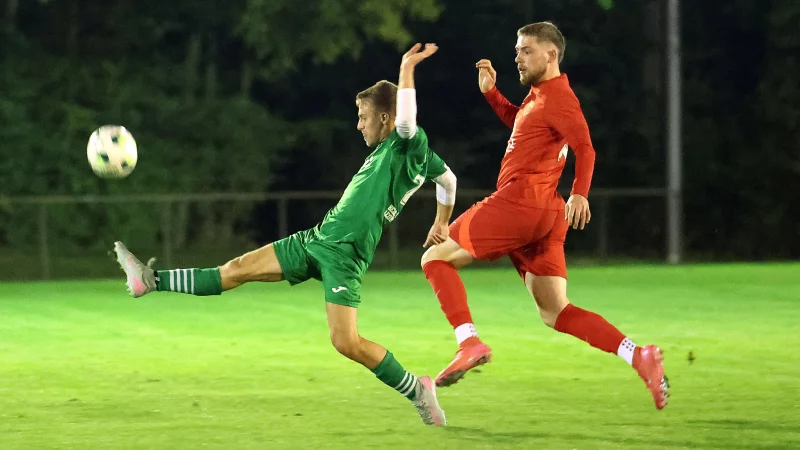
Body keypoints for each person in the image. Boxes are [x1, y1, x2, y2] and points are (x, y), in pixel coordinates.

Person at [115, 43, 455, 425]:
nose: (359, 125)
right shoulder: (405, 155)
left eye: (363, 117)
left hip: (345, 255)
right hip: (317, 239)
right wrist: (441, 221)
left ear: (386, 118)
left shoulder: (409, 144)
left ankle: (417, 389)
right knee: (236, 269)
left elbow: (409, 122)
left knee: (346, 342)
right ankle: (150, 280)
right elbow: (448, 180)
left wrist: (406, 68)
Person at [420, 22, 669, 410]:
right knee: (556, 311)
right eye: (516, 51)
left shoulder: (560, 99)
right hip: (545, 212)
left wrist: (580, 193)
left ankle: (468, 342)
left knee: (435, 258)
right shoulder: (540, 97)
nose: (517, 58)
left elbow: (585, 148)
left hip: (521, 202)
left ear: (551, 54)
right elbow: (522, 124)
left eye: (526, 50)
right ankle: (638, 355)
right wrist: (492, 95)